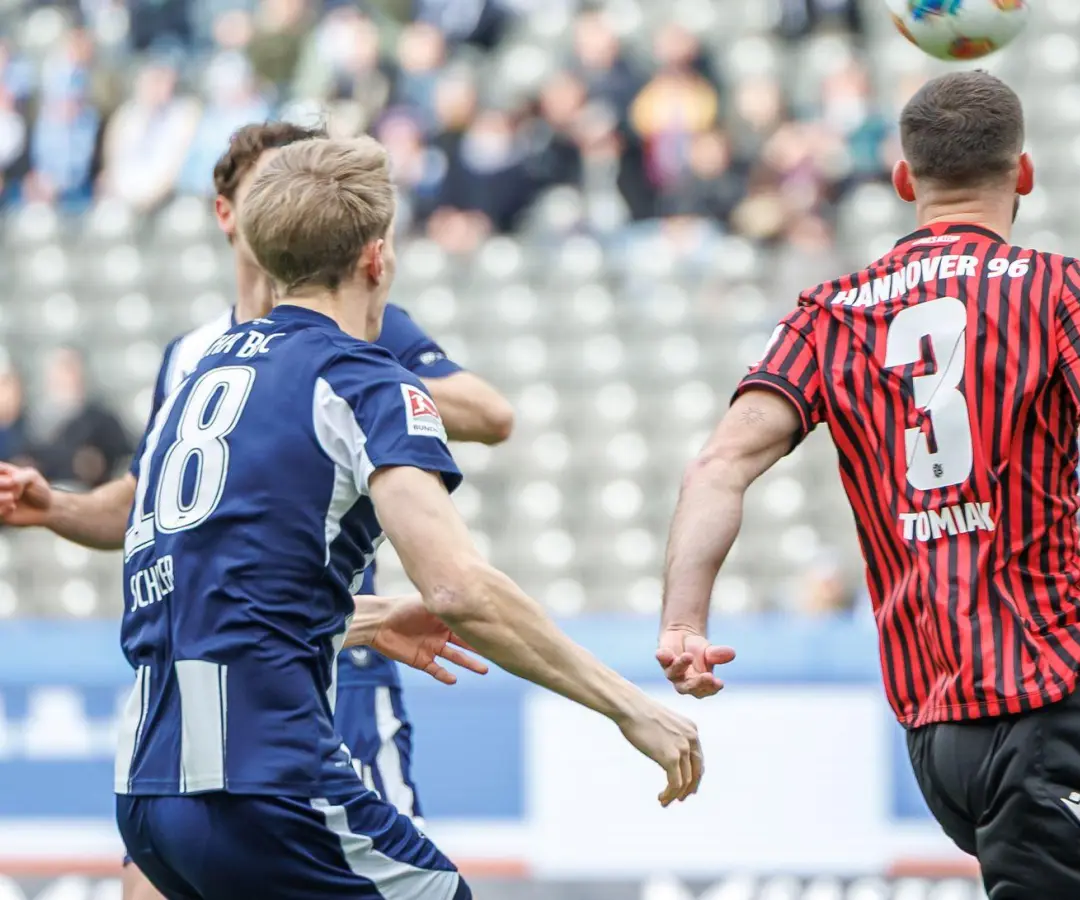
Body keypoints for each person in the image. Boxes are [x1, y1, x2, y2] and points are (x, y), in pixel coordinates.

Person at [654, 70, 1080, 900]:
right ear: (1024, 173)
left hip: (935, 737)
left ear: (905, 181)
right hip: (1038, 708)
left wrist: (685, 620)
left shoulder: (830, 312)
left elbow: (717, 466)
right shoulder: (1057, 290)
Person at [50, 136, 699, 899]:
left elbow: (202, 586)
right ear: (377, 258)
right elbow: (458, 588)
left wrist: (353, 618)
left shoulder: (194, 381)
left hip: (148, 791)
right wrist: (629, 708)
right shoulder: (363, 380)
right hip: (269, 784)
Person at [0, 121, 515, 900]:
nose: (298, 198)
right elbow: (143, 504)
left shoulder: (363, 324)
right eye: (276, 183)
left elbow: (490, 413)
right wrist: (60, 510)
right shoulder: (193, 354)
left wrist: (323, 378)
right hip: (215, 677)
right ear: (228, 212)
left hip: (343, 666)